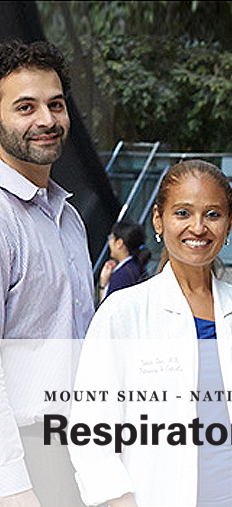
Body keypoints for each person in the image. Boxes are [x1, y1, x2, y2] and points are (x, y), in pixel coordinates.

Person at [69, 160, 232, 507]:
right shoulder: (123, 313)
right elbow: (91, 431)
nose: (198, 227)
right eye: (183, 213)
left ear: (229, 223)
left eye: (213, 214)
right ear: (158, 219)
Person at [0, 39, 93, 507]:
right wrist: (13, 485)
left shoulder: (67, 216)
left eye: (55, 104)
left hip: (79, 442)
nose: (47, 119)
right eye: (25, 107)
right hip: (26, 450)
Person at [98, 219, 151, 300]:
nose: (109, 243)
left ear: (119, 243)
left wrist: (103, 286)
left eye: (111, 238)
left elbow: (108, 306)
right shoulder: (136, 267)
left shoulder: (121, 276)